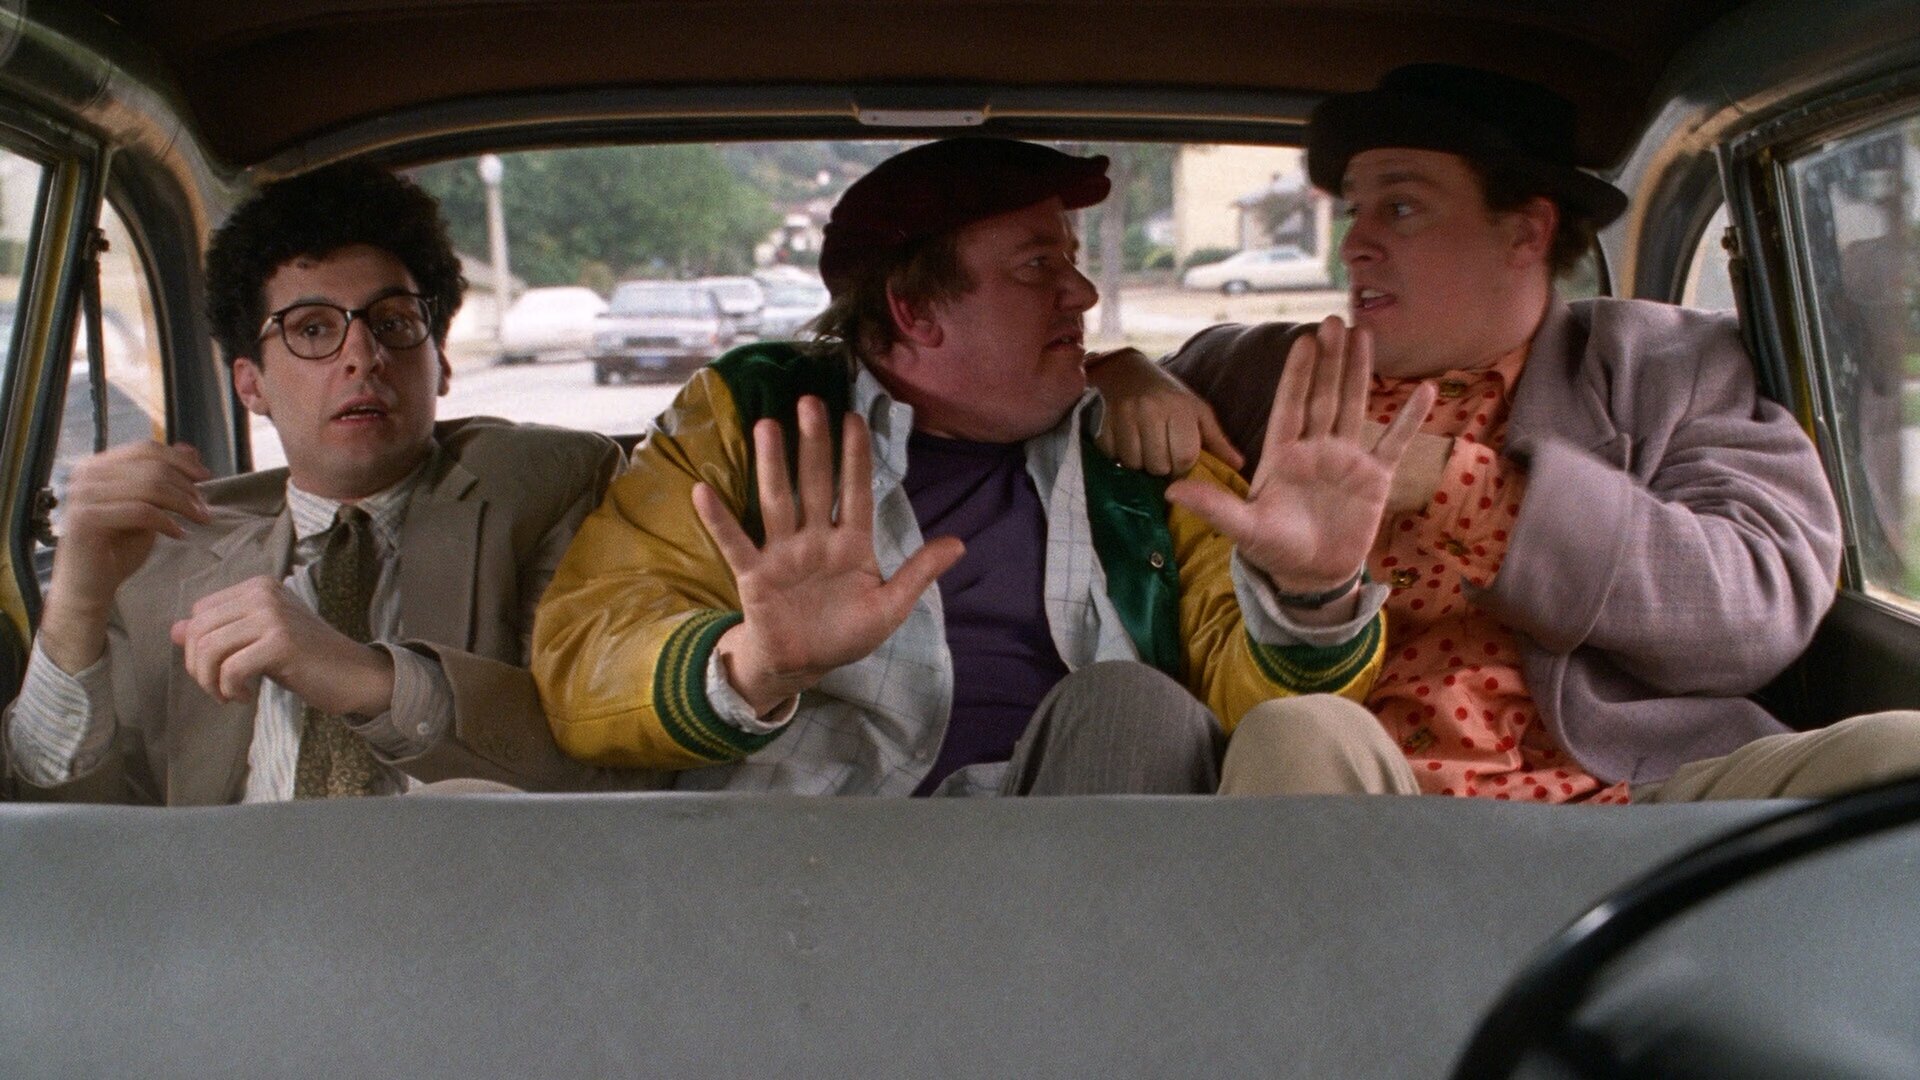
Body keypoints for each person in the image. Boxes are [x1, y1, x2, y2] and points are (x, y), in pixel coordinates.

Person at [1090, 64, 1920, 801]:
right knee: (1294, 734)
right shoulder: (1258, 372)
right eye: (1354, 210)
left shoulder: (1666, 363)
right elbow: (1052, 386)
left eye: (1401, 208)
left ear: (1526, 231)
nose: (1355, 244)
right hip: (1374, 809)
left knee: (1899, 750)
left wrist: (1467, 490)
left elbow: (1759, 610)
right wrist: (1123, 375)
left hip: (1640, 798)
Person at [533, 137, 1433, 796]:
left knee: (1140, 706)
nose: (1083, 293)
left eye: (1072, 260)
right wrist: (754, 664)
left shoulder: (1140, 448)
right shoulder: (753, 420)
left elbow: (1247, 701)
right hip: (818, 867)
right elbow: (584, 656)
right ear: (916, 311)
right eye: (1038, 266)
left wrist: (1310, 597)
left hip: (1089, 855)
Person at [2, 164, 634, 803]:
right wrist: (76, 605)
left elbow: (608, 769)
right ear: (251, 385)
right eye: (312, 329)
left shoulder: (548, 493)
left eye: (393, 322)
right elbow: (65, 823)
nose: (363, 356)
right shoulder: (165, 552)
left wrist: (368, 680)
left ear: (440, 364)